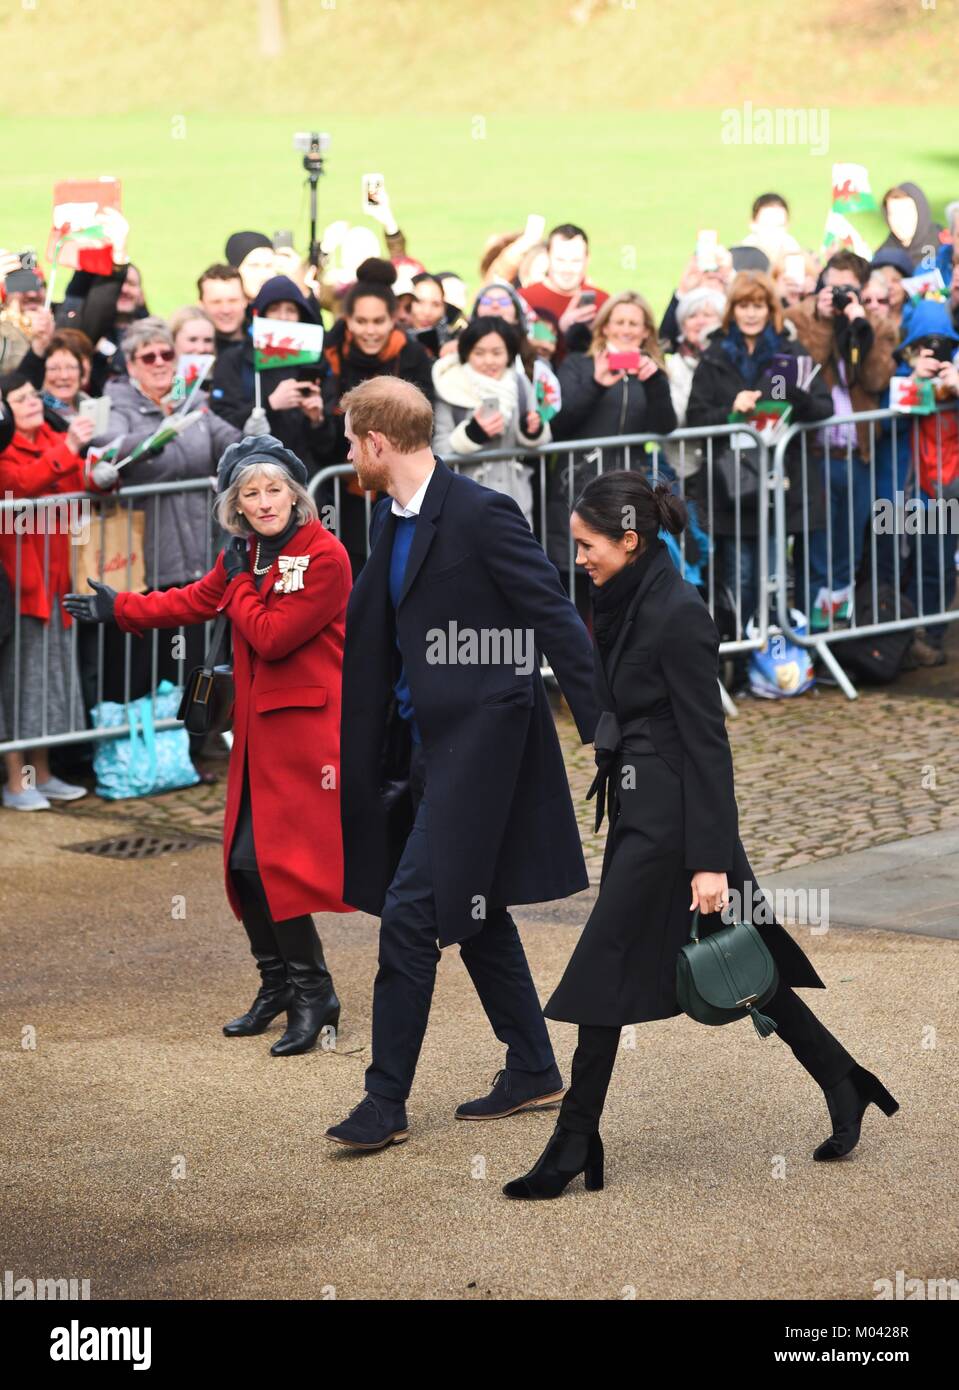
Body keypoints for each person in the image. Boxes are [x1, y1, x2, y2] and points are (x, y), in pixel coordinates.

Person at [502, 470, 900, 1199]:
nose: (580, 557)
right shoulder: (619, 592)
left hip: (673, 820)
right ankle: (843, 1079)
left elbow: (707, 743)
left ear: (629, 540)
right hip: (642, 803)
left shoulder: (677, 611)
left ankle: (571, 1143)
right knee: (743, 963)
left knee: (603, 969)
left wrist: (709, 862)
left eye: (588, 545)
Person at [324, 376, 599, 1151]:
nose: (347, 453)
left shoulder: (479, 513)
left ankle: (384, 1102)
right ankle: (534, 1066)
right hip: (416, 751)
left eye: (351, 441)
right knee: (476, 915)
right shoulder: (390, 516)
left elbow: (551, 614)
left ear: (378, 442)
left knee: (410, 917)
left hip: (481, 749)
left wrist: (605, 728)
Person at [64, 436, 353, 1054]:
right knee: (244, 866)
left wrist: (242, 582)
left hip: (305, 733)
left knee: (274, 866)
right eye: (251, 493)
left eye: (274, 489)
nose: (265, 501)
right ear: (236, 504)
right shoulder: (244, 554)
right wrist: (122, 611)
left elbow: (272, 636)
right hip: (255, 730)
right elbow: (197, 600)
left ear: (295, 494)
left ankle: (316, 993)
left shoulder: (323, 555)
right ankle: (279, 985)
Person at [92, 318, 241, 769]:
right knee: (140, 664)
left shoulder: (190, 399)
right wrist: (157, 437)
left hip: (196, 551)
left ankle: (188, 751)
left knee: (190, 659)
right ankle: (136, 759)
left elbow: (225, 441)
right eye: (148, 356)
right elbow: (108, 449)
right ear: (131, 364)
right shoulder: (118, 402)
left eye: (166, 355)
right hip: (142, 557)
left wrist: (251, 439)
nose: (159, 363)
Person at [686, 270, 833, 672]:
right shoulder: (714, 356)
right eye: (744, 306)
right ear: (732, 311)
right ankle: (734, 656)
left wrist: (789, 398)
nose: (751, 314)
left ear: (771, 310)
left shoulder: (790, 353)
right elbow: (694, 419)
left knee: (772, 574)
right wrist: (734, 409)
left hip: (778, 483)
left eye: (759, 306)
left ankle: (762, 659)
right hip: (731, 486)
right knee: (742, 576)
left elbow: (823, 409)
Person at [785, 251, 898, 629]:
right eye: (832, 284)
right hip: (813, 455)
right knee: (816, 553)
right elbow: (802, 372)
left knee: (847, 556)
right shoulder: (801, 318)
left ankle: (836, 633)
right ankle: (812, 638)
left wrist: (858, 327)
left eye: (846, 288)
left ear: (861, 289)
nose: (837, 294)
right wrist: (823, 321)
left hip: (857, 457)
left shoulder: (876, 324)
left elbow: (876, 380)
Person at [0, 373, 97, 810]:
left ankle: (42, 774)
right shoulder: (7, 451)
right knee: (20, 686)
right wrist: (70, 449)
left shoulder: (52, 441)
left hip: (56, 581)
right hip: (21, 586)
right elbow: (22, 485)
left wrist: (101, 471)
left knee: (47, 685)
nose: (31, 403)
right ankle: (17, 782)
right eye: (19, 399)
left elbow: (78, 484)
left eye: (31, 396)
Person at [547, 291, 677, 607]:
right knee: (577, 582)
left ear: (646, 330)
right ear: (604, 327)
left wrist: (654, 384)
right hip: (576, 489)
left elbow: (664, 426)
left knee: (625, 582)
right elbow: (559, 424)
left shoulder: (652, 372)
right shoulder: (578, 365)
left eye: (635, 323)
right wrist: (596, 384)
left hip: (627, 494)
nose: (626, 329)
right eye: (619, 321)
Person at [320, 259, 434, 573]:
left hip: (399, 484)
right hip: (341, 486)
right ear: (348, 319)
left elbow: (424, 423)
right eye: (361, 321)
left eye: (378, 321)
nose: (370, 330)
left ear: (394, 318)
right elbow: (323, 436)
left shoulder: (411, 355)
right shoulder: (330, 353)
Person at [431, 316, 547, 529]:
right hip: (465, 501)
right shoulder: (449, 386)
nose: (489, 361)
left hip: (516, 499)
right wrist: (474, 433)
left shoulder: (519, 383)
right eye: (479, 353)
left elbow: (538, 433)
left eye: (497, 353)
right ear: (467, 353)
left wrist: (532, 429)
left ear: (509, 353)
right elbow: (439, 449)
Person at [209, 275, 328, 476]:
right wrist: (268, 405)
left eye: (290, 310)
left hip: (308, 483)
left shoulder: (315, 361)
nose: (282, 317)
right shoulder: (234, 360)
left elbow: (329, 447)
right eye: (274, 309)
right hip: (253, 479)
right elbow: (221, 421)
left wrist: (318, 421)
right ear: (260, 315)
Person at [663, 286, 726, 489]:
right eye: (692, 316)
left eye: (708, 315)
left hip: (727, 468)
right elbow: (678, 418)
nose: (700, 322)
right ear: (682, 325)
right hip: (683, 472)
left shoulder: (730, 362)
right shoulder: (672, 366)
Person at [519, 224, 609, 354]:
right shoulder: (524, 300)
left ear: (587, 260)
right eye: (560, 260)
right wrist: (561, 330)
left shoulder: (603, 302)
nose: (567, 269)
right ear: (547, 257)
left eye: (576, 261)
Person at [877, 183, 942, 271]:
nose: (900, 220)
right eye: (893, 214)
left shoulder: (943, 244)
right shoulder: (885, 255)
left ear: (921, 211)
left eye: (906, 213)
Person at [198, 265, 248, 352]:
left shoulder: (264, 344)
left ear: (246, 300)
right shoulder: (194, 351)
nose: (226, 310)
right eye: (216, 302)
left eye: (233, 301)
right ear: (201, 305)